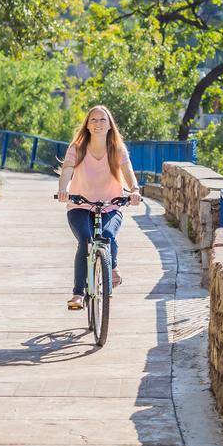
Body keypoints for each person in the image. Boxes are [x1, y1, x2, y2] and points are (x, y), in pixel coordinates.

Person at [55, 106, 140, 311]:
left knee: (108, 236)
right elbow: (67, 169)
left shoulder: (117, 148)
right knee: (86, 240)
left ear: (110, 124)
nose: (98, 123)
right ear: (87, 124)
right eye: (93, 120)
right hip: (80, 205)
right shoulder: (77, 147)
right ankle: (78, 293)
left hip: (111, 204)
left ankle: (112, 265)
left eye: (102, 120)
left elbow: (127, 170)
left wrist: (134, 190)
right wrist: (63, 189)